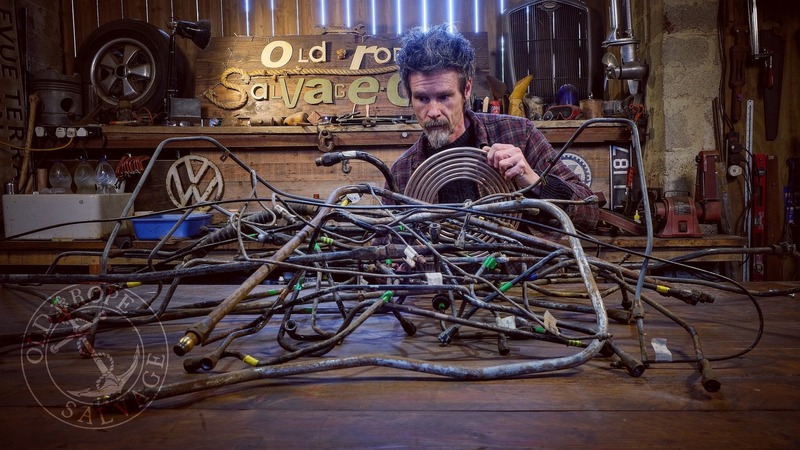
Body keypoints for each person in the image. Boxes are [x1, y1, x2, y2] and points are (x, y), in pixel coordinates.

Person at [390, 24, 599, 233]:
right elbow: (385, 246)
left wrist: (534, 181)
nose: (433, 111)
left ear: (467, 90)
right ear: (410, 97)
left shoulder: (518, 134)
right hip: (440, 267)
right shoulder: (402, 172)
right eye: (422, 98)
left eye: (444, 97)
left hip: (515, 264)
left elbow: (589, 215)